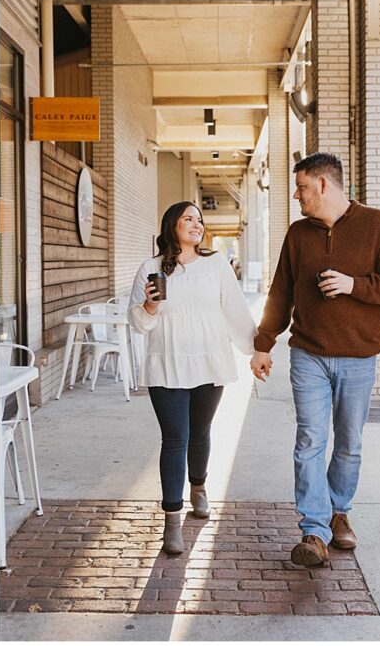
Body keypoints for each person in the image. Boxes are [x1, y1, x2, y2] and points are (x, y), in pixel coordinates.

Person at [250, 153, 380, 568]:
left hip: (359, 357)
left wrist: (354, 285)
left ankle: (338, 511)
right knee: (310, 440)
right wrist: (264, 342)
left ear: (324, 185)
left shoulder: (377, 225)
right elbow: (281, 291)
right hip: (308, 353)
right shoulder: (297, 234)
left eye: (302, 187)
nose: (296, 194)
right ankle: (314, 530)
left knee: (349, 443)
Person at [129, 201, 257, 554]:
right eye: (188, 218)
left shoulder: (216, 263)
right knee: (175, 438)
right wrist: (150, 306)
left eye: (200, 220)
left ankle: (198, 488)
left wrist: (256, 349)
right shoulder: (151, 268)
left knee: (199, 432)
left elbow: (234, 309)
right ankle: (172, 519)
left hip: (209, 360)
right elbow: (139, 323)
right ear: (172, 225)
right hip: (167, 363)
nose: (196, 224)